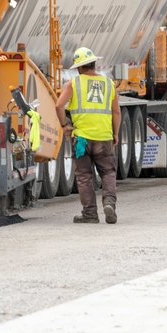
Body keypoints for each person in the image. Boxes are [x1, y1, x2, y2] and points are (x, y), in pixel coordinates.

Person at [56, 46, 120, 225]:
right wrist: (115, 133)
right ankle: (109, 203)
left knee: (84, 176)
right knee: (108, 172)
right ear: (94, 64)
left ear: (79, 67)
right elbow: (116, 112)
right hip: (104, 137)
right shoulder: (109, 84)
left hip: (81, 139)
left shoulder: (73, 84)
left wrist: (65, 126)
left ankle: (90, 214)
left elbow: (59, 106)